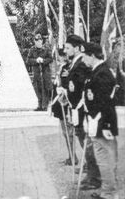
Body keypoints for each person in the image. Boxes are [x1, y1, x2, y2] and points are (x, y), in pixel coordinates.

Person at [60, 35, 100, 187]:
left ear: (77, 48)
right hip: (76, 106)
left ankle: (94, 175)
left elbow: (85, 87)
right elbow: (73, 85)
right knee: (81, 136)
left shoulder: (82, 64)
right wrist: (66, 92)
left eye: (68, 48)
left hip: (82, 108)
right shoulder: (75, 63)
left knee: (86, 139)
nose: (65, 50)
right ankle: (90, 167)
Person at [82, 42, 119, 199]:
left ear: (92, 56)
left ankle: (109, 193)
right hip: (97, 121)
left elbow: (105, 103)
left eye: (85, 56)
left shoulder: (102, 73)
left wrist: (106, 126)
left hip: (102, 123)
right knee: (103, 158)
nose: (83, 59)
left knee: (105, 159)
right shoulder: (97, 71)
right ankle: (107, 190)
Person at [51, 49, 77, 166]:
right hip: (61, 103)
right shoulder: (62, 68)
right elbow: (59, 84)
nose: (62, 57)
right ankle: (72, 156)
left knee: (70, 132)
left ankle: (73, 158)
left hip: (69, 103)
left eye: (64, 54)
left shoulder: (73, 67)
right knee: (65, 132)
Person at [26, 33, 53, 111]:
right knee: (37, 89)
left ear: (42, 41)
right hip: (37, 73)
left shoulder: (46, 49)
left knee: (45, 88)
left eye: (39, 40)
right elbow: (28, 60)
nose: (38, 42)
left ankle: (45, 106)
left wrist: (43, 61)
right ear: (34, 41)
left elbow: (50, 59)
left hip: (45, 72)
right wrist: (36, 60)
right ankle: (40, 105)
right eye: (36, 40)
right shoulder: (32, 49)